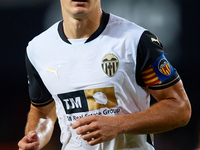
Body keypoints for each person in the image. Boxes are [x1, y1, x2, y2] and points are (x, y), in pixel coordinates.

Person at [18, 0, 191, 150]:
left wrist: (119, 124)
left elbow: (180, 107)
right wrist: (37, 135)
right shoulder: (38, 49)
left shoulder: (136, 41)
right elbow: (42, 110)